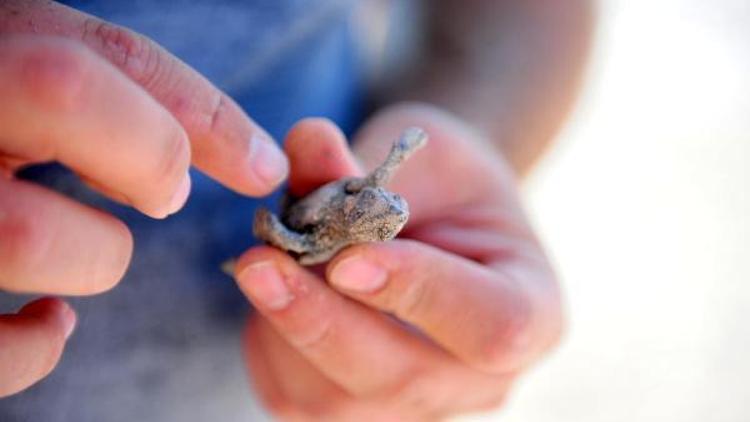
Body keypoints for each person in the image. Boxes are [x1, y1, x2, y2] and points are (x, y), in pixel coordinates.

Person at [0, 0, 593, 420]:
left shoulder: (367, 206)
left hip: (255, 383)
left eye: (389, 215)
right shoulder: (359, 200)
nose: (388, 210)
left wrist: (469, 134)